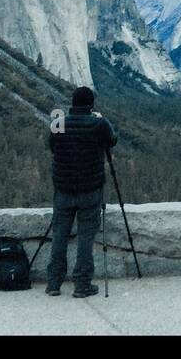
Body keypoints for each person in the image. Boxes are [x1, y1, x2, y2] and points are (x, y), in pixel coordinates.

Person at [46, 86, 118, 298]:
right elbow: (112, 141)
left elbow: (53, 146)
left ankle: (53, 283)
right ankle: (82, 284)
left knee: (59, 234)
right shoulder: (98, 123)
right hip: (90, 189)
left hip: (63, 188)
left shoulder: (58, 124)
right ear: (91, 104)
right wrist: (101, 121)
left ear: (72, 103)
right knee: (86, 236)